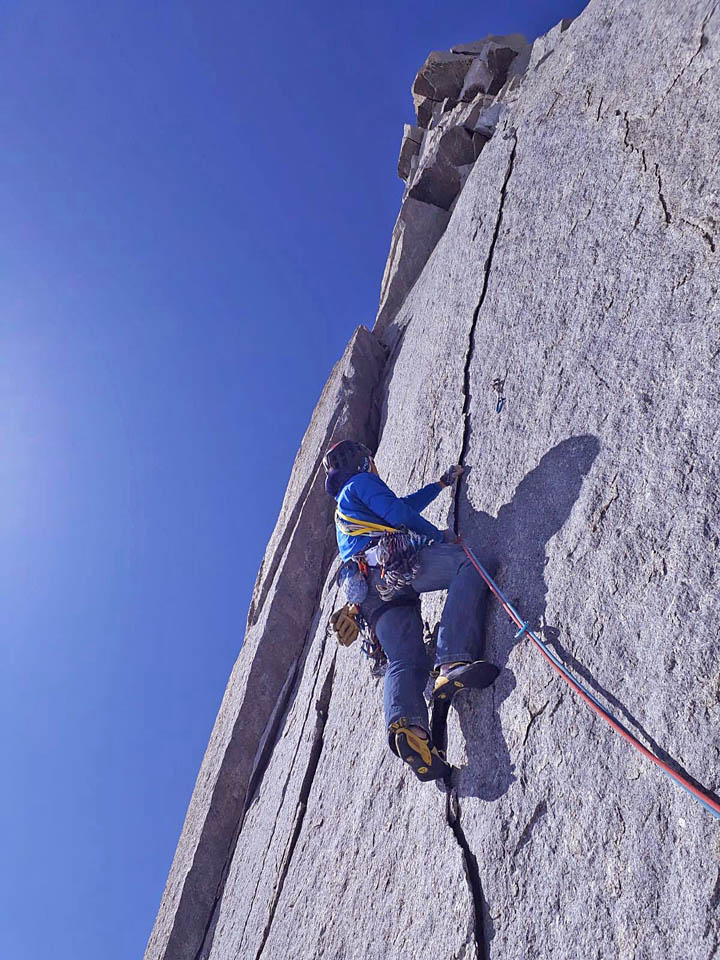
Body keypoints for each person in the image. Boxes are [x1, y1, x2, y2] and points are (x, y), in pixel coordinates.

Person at [324, 439, 499, 782]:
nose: (374, 466)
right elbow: (400, 515)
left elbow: (402, 505)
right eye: (370, 461)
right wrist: (439, 537)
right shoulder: (360, 483)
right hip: (394, 566)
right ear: (361, 462)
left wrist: (440, 485)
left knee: (405, 659)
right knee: (468, 566)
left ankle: (410, 731)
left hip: (371, 597)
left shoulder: (344, 510)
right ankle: (451, 662)